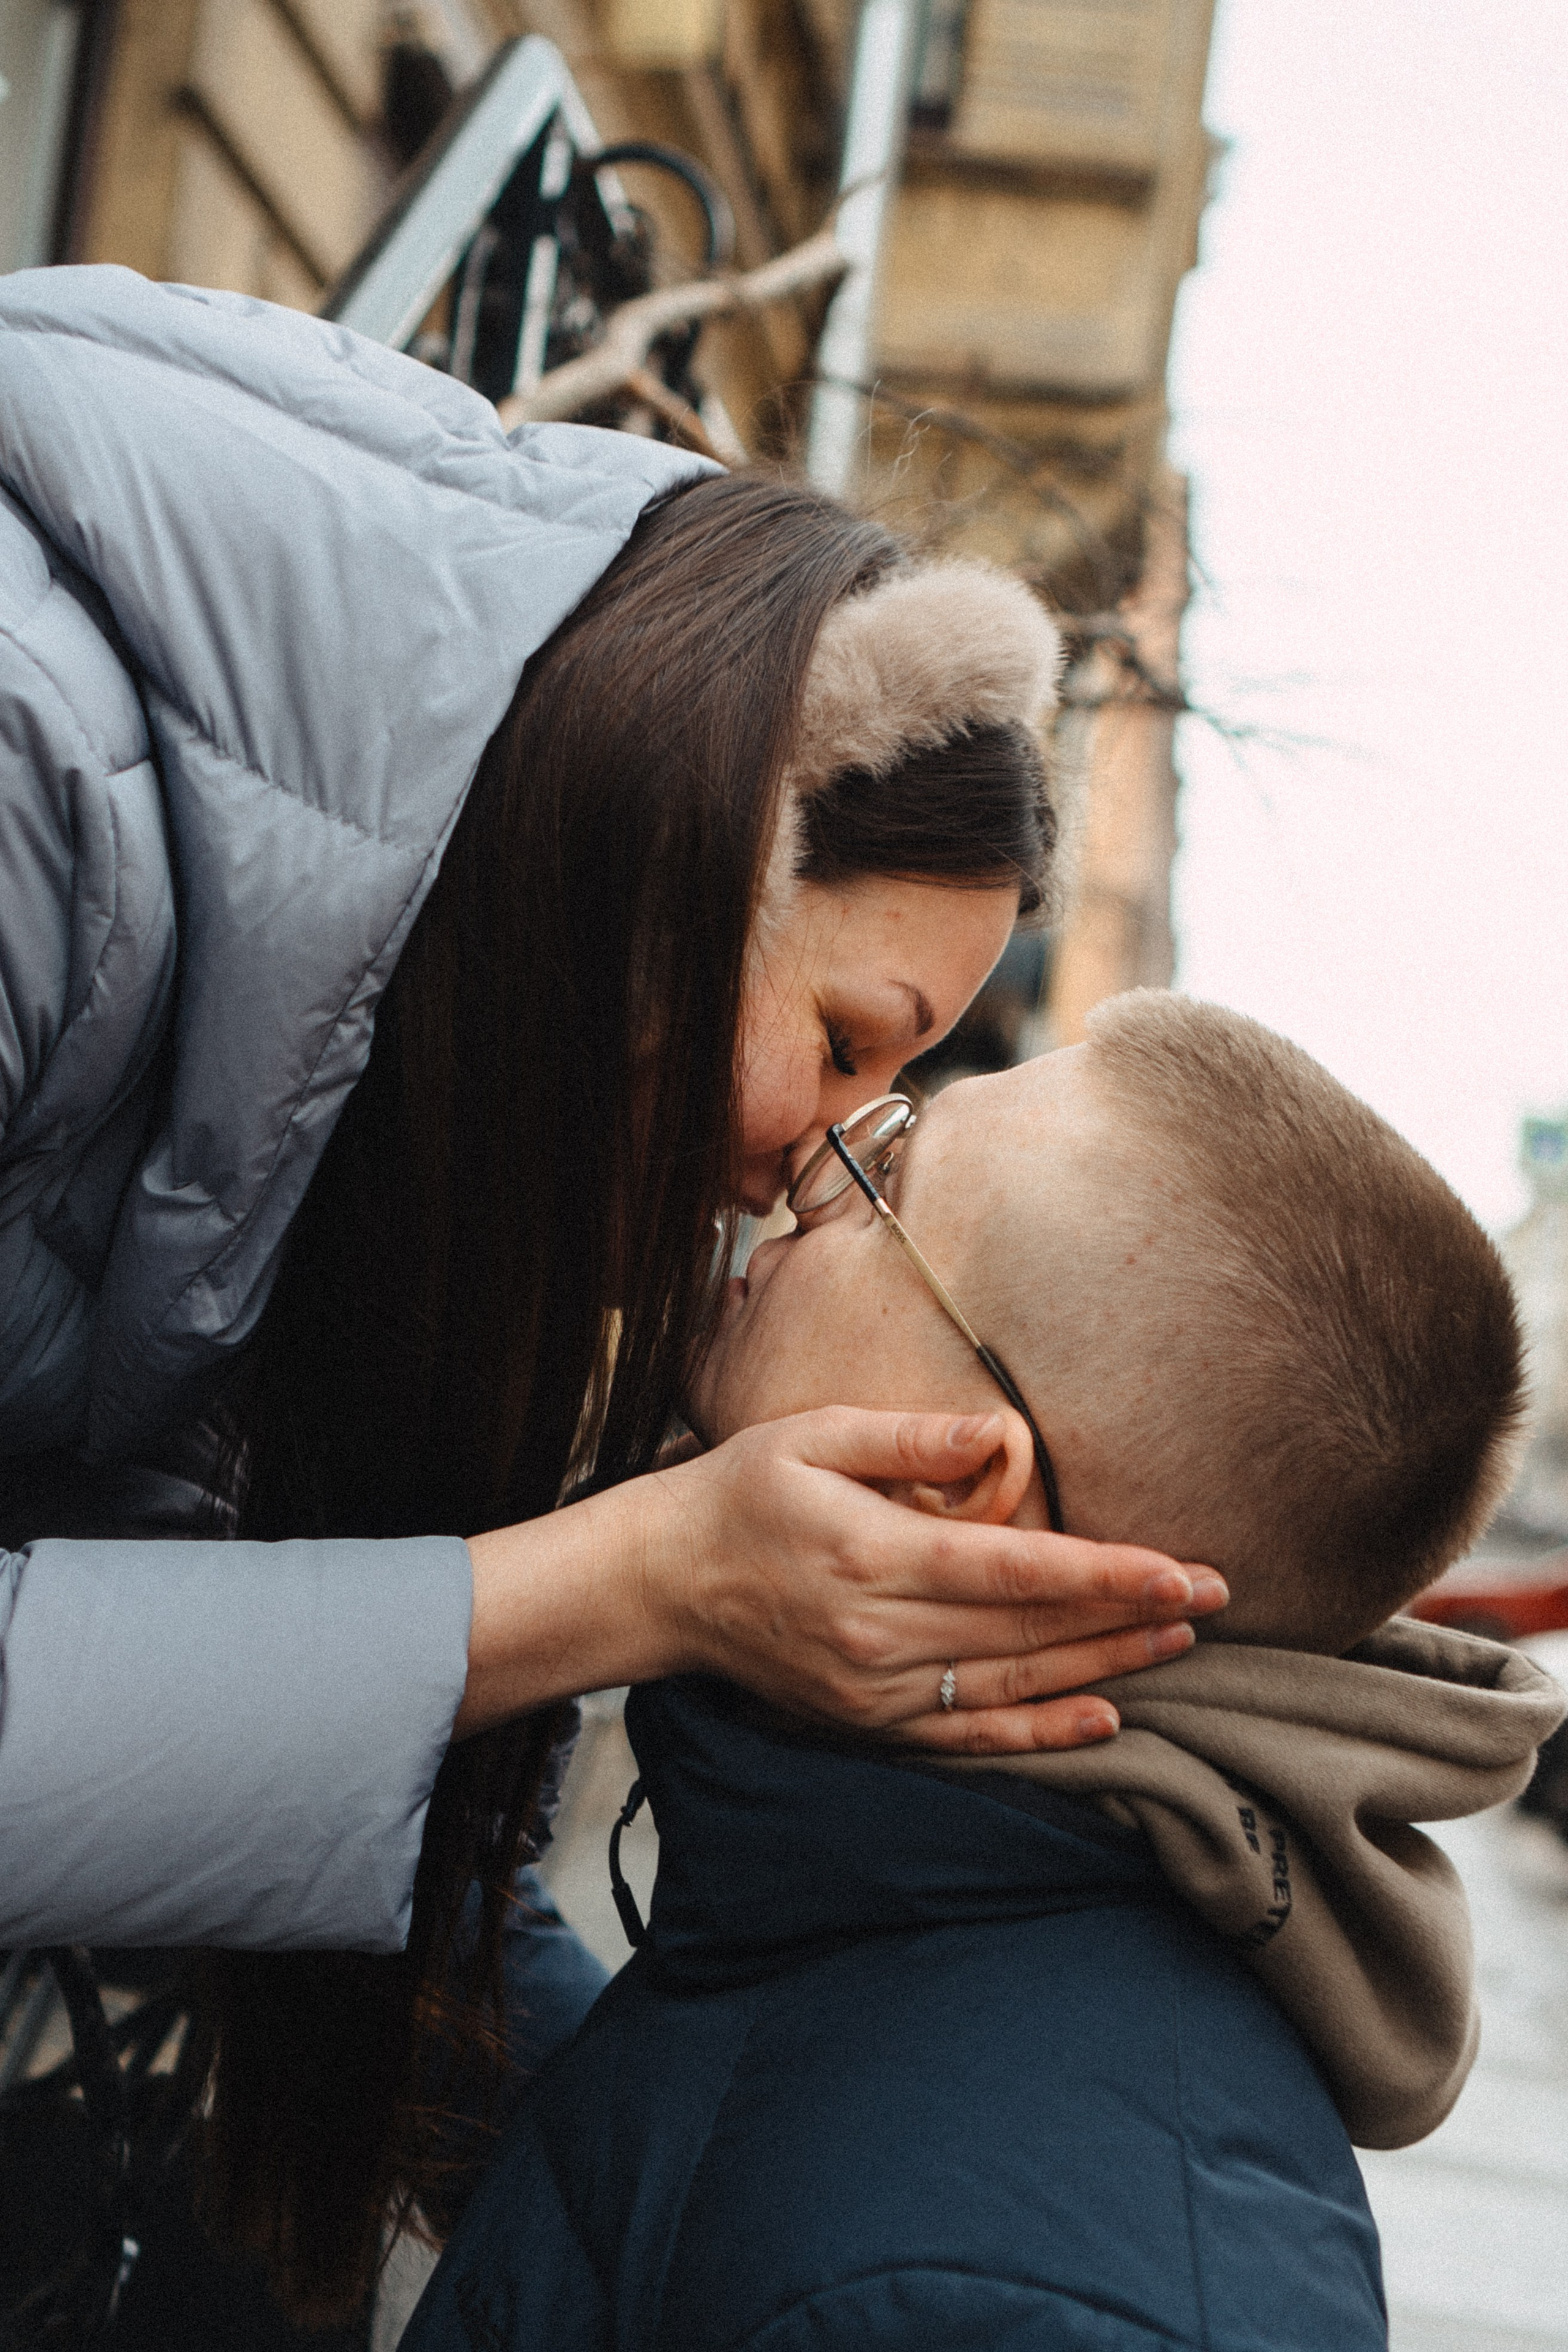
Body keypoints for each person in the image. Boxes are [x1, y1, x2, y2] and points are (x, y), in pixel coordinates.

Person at [0, 268, 1225, 2329]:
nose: (813, 1162)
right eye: (844, 1044)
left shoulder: (374, 1086)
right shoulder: (33, 781)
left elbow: (374, 1841)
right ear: (684, 847)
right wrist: (640, 1580)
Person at [403, 993, 1566, 2352]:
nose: (813, 1158)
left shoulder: (1031, 2303)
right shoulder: (909, 1888)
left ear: (959, 1476)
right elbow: (675, 2180)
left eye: (886, 1177)